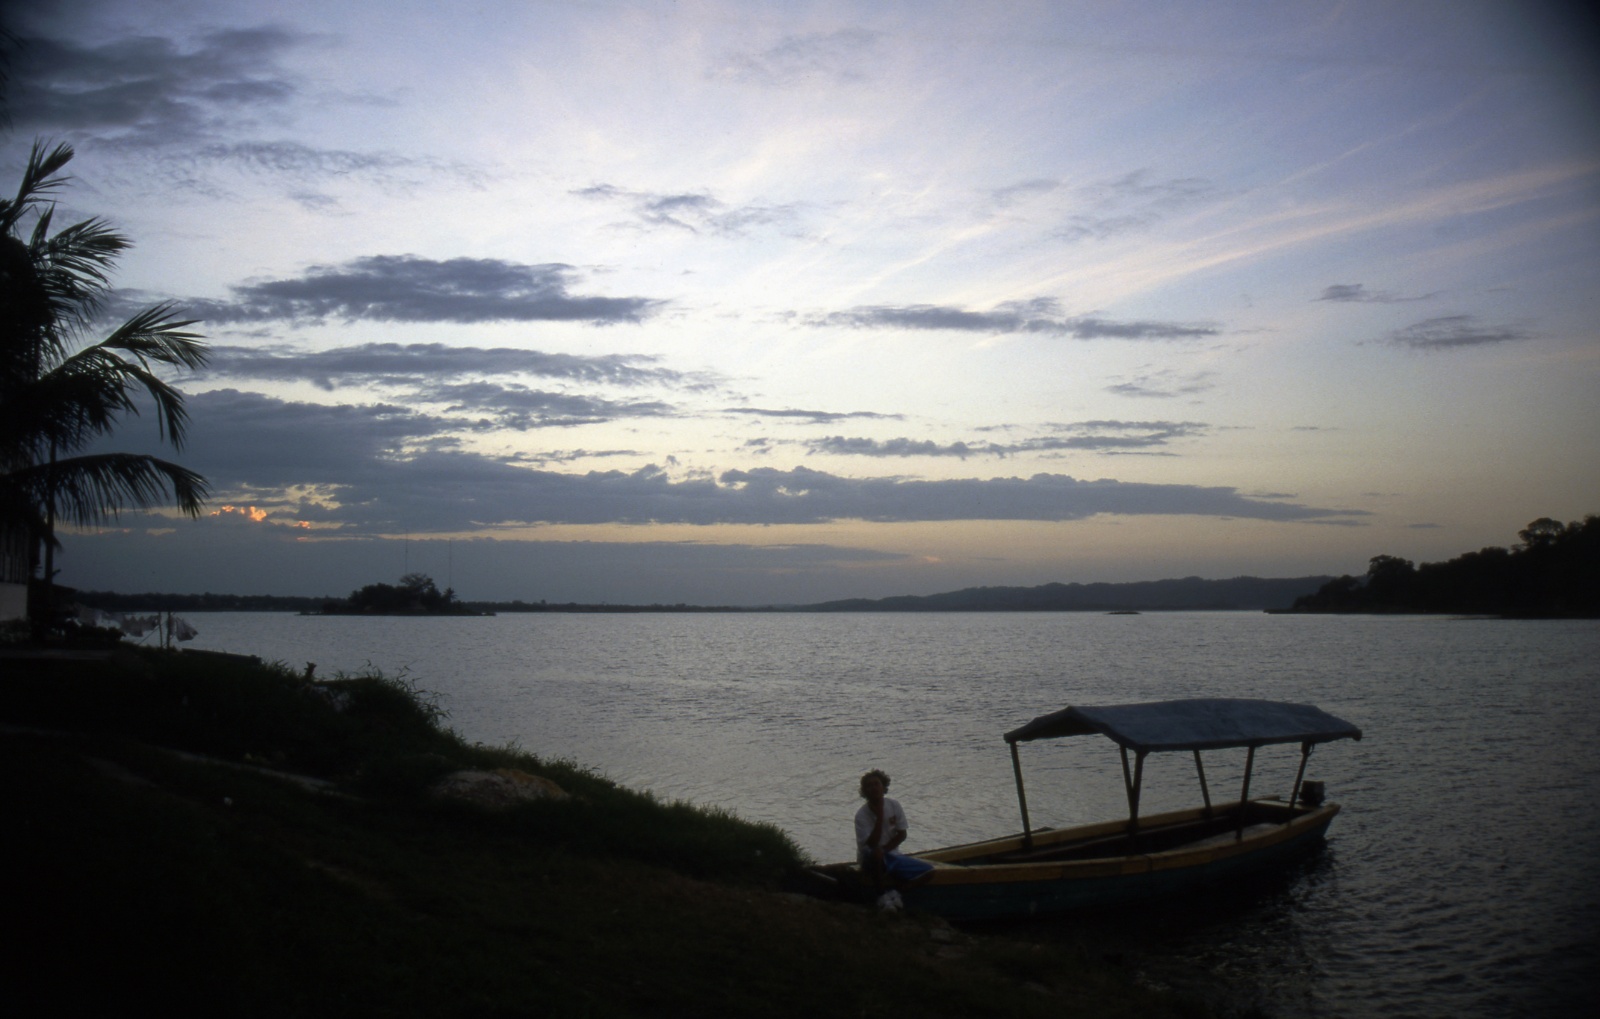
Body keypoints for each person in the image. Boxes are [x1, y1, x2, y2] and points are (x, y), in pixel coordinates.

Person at [854, 769, 934, 886]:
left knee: (929, 871)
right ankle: (882, 894)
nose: (874, 788)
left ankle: (899, 891)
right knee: (876, 853)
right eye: (869, 786)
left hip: (890, 854)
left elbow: (902, 834)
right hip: (869, 858)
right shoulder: (861, 815)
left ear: (883, 787)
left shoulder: (893, 805)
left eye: (877, 784)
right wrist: (880, 817)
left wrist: (885, 850)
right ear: (865, 791)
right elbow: (871, 844)